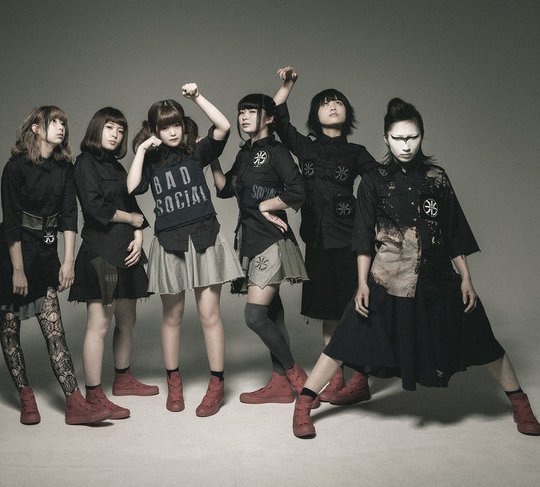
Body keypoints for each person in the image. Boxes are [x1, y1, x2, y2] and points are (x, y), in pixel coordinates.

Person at [292, 98, 540, 438]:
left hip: (438, 277)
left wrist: (466, 277)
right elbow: (362, 237)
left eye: (412, 137)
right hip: (387, 278)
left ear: (422, 136)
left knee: (483, 340)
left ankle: (521, 404)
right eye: (398, 139)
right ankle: (304, 404)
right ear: (386, 139)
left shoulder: (437, 178)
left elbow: (453, 231)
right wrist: (362, 283)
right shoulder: (374, 180)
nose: (406, 146)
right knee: (342, 342)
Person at [0, 106, 110, 426]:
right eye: (54, 122)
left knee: (54, 331)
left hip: (45, 254)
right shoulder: (15, 167)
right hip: (8, 257)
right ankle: (26, 399)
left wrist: (68, 262)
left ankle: (74, 402)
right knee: (10, 330)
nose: (61, 127)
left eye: (64, 122)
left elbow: (69, 216)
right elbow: (11, 221)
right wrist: (17, 270)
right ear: (36, 128)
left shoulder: (64, 167)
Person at [128, 83, 242, 417]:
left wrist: (196, 98)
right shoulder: (151, 160)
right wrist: (141, 151)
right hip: (170, 241)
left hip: (204, 235)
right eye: (165, 127)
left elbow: (224, 126)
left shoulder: (197, 151)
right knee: (172, 316)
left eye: (176, 124)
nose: (173, 131)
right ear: (155, 130)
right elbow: (132, 187)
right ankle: (174, 381)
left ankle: (217, 384)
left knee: (209, 315)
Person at [273, 66, 379, 405]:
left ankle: (360, 378)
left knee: (356, 309)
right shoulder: (305, 147)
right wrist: (288, 84)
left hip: (350, 242)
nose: (332, 106)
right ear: (315, 115)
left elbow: (382, 184)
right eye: (324, 103)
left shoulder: (357, 152)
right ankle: (335, 378)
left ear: (347, 113)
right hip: (316, 241)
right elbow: (277, 119)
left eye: (338, 102)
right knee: (328, 312)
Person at [210, 93, 313, 406]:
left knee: (254, 316)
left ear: (268, 118)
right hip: (250, 241)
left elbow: (299, 190)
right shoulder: (245, 153)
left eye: (251, 111)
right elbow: (225, 189)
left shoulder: (277, 152)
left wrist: (268, 205)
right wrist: (212, 157)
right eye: (241, 111)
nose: (244, 116)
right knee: (272, 313)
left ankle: (296, 375)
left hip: (272, 241)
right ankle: (280, 385)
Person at [69, 107, 157, 421]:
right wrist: (131, 220)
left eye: (120, 130)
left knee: (128, 320)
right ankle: (94, 395)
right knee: (99, 325)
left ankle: (123, 379)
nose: (116, 135)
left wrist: (139, 235)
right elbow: (94, 208)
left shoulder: (117, 167)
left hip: (126, 251)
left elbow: (132, 201)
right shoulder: (84, 163)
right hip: (101, 252)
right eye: (110, 128)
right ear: (97, 128)